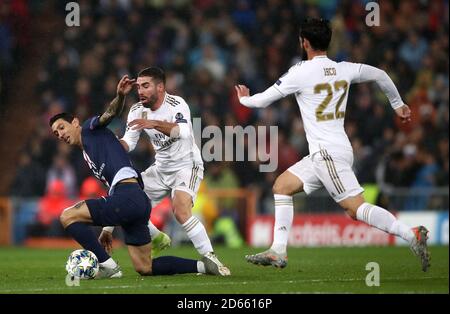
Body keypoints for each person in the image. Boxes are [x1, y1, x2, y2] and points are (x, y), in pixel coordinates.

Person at [235, 18, 430, 272]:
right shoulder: (343, 68)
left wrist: (244, 100)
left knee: (354, 208)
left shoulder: (300, 72)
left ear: (304, 43)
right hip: (330, 151)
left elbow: (261, 102)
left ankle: (410, 233)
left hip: (327, 154)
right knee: (282, 186)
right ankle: (278, 250)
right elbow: (381, 74)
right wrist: (398, 104)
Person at [50, 75, 228, 278]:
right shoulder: (92, 150)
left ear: (75, 122)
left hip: (132, 195)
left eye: (62, 128)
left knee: (67, 216)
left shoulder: (90, 129)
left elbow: (110, 113)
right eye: (56, 134)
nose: (60, 134)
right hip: (135, 201)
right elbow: (123, 150)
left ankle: (108, 266)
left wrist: (119, 96)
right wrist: (108, 229)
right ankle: (202, 267)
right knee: (145, 267)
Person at [99, 66, 230, 276]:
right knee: (128, 201)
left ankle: (211, 258)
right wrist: (111, 145)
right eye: (138, 86)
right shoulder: (136, 110)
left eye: (145, 86)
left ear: (160, 87)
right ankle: (157, 237)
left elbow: (183, 132)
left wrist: (153, 123)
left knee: (180, 209)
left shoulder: (176, 104)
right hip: (161, 169)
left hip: (187, 166)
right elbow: (128, 143)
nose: (140, 91)